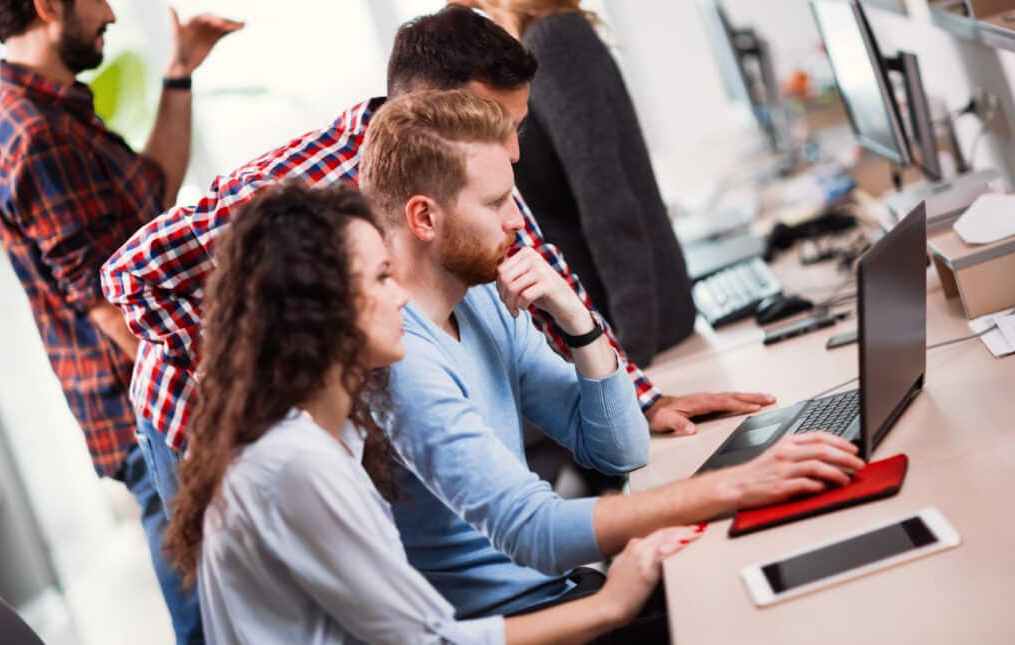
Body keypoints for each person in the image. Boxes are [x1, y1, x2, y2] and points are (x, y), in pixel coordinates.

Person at [98, 11, 773, 524]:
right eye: (498, 122)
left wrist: (644, 398)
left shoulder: (469, 171)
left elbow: (542, 265)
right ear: (433, 112)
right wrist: (247, 378)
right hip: (194, 417)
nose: (515, 145)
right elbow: (128, 274)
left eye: (518, 125)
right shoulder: (300, 182)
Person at [358, 88, 866, 621]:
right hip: (525, 623)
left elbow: (620, 450)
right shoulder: (402, 359)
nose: (515, 220)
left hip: (560, 591)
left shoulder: (481, 297)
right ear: (424, 219)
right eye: (493, 203)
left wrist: (576, 320)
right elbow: (534, 532)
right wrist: (733, 484)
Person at [163, 181, 702, 644]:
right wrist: (613, 603)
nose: (399, 298)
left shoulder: (334, 441)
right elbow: (430, 639)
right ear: (317, 307)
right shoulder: (296, 464)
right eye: (379, 278)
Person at [0, 1, 241, 642]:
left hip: (148, 407)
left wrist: (180, 71)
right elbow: (110, 309)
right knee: (209, 617)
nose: (107, 13)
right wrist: (219, 403)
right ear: (50, 7)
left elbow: (149, 195)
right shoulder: (34, 134)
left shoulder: (53, 112)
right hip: (149, 415)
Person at [463, 0, 696, 366]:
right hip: (616, 329)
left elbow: (604, 195)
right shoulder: (527, 42)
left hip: (635, 331)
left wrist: (625, 356)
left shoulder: (553, 39)